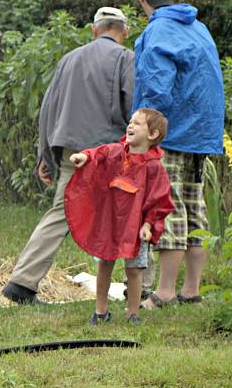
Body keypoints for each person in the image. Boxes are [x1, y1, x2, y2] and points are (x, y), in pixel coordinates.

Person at [2, 7, 135, 304]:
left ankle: (22, 281)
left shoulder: (69, 59)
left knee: (61, 213)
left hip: (71, 152)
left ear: (94, 29)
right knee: (127, 213)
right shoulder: (126, 59)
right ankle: (138, 285)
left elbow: (48, 109)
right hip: (109, 153)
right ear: (124, 32)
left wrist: (45, 155)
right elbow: (133, 108)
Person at [133, 0, 225, 309]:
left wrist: (147, 130)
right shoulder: (199, 28)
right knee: (194, 206)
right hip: (202, 135)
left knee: (166, 207)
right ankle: (192, 290)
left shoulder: (158, 30)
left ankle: (166, 292)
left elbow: (156, 85)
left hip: (171, 134)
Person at [66, 108, 175, 324]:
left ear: (152, 134)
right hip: (110, 222)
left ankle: (132, 313)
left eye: (137, 123)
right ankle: (100, 311)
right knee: (104, 265)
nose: (130, 126)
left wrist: (148, 224)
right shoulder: (117, 153)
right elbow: (101, 153)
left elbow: (159, 199)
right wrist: (84, 156)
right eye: (131, 122)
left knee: (134, 270)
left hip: (134, 227)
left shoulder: (153, 167)